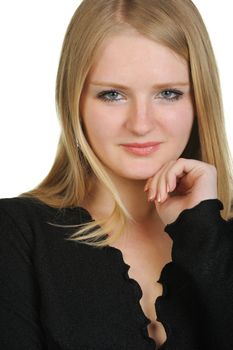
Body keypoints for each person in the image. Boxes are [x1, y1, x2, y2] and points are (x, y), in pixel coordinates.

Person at [1, 0, 233, 349]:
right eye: (112, 95)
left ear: (200, 100)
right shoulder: (16, 235)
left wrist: (204, 233)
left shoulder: (221, 242)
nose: (140, 124)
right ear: (74, 101)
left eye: (168, 93)